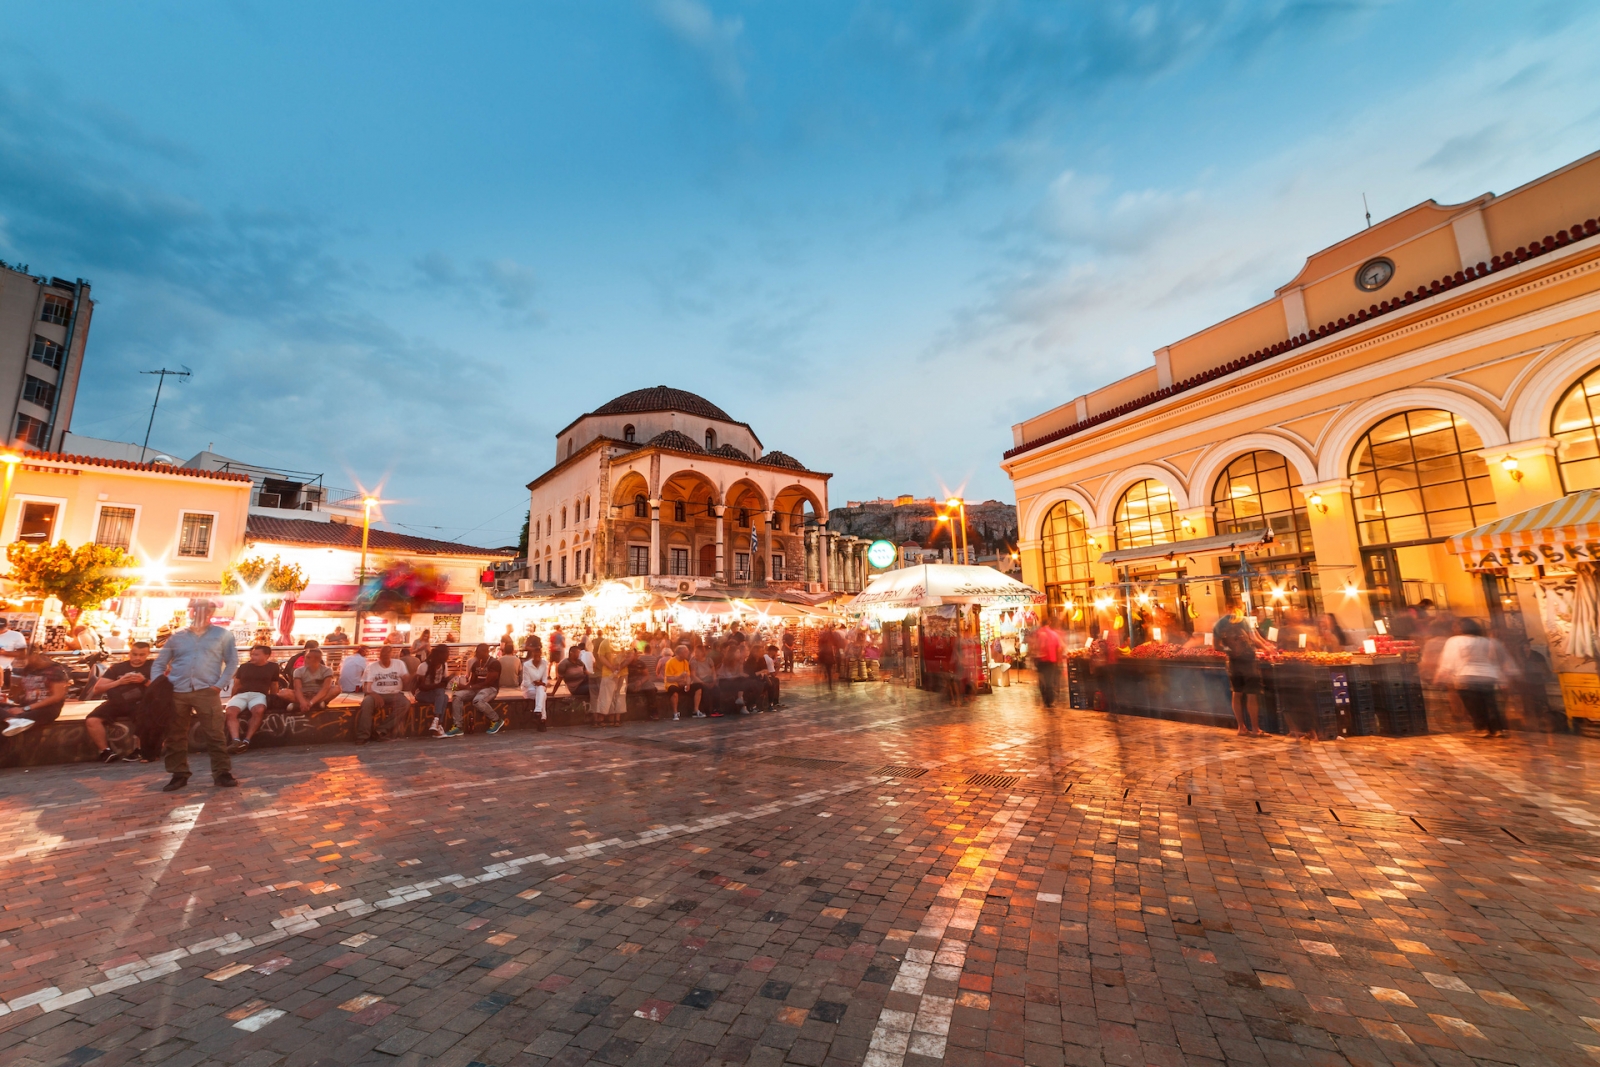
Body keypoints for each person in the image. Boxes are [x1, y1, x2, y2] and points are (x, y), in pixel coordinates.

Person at [150, 599, 240, 791]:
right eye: (194, 609)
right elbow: (159, 663)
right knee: (175, 735)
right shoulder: (177, 637)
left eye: (202, 610)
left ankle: (222, 773)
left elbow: (232, 663)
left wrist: (218, 686)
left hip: (207, 691)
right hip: (177, 691)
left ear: (210, 612)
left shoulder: (223, 635)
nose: (197, 613)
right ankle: (178, 774)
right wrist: (160, 684)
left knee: (215, 734)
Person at [1436, 618, 1514, 737]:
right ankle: (1497, 729)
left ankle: (1481, 728)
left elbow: (1449, 660)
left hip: (1466, 676)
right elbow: (1496, 659)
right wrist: (1502, 676)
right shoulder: (1486, 641)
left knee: (1473, 704)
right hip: (1487, 676)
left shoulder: (1455, 641)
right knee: (1490, 703)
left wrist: (1441, 674)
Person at [84, 641, 155, 761]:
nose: (137, 658)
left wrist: (144, 681)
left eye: (142, 655)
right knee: (92, 720)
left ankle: (140, 750)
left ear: (148, 654)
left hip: (142, 702)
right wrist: (119, 682)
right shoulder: (117, 668)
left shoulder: (154, 667)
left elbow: (164, 688)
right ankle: (105, 752)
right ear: (129, 653)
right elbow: (97, 689)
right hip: (117, 702)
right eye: (134, 654)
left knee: (145, 717)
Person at [1214, 607, 1270, 737]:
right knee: (1252, 693)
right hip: (1248, 661)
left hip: (1232, 662)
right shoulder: (1244, 620)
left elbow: (1216, 646)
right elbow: (1255, 639)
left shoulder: (1219, 624)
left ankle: (1241, 727)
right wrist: (1267, 648)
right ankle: (1255, 729)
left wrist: (1230, 651)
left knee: (1236, 693)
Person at [225, 644, 284, 754]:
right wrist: (232, 697)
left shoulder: (273, 667)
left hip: (259, 694)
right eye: (252, 654)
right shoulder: (244, 667)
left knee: (258, 710)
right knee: (230, 712)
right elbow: (237, 684)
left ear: (266, 656)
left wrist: (273, 697)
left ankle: (247, 740)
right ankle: (236, 741)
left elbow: (274, 684)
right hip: (242, 694)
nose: (253, 657)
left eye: (256, 655)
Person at [3, 648, 70, 738]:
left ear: (34, 656)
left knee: (4, 727)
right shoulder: (28, 670)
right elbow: (22, 692)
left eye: (22, 658)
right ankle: (13, 719)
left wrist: (25, 709)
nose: (19, 661)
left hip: (45, 710)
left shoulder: (55, 670)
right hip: (26, 707)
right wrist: (9, 701)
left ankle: (15, 720)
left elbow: (57, 696)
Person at [446, 643, 505, 737]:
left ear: (486, 652)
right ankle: (458, 726)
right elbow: (472, 682)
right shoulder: (476, 663)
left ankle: (496, 720)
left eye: (478, 652)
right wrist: (463, 687)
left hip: (490, 689)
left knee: (477, 700)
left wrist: (469, 687)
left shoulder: (494, 663)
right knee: (457, 695)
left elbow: (488, 683)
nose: (476, 654)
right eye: (476, 651)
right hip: (476, 689)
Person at [357, 644, 409, 744]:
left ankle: (380, 730)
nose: (385, 657)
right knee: (366, 703)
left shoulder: (399, 664)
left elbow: (406, 678)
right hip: (375, 693)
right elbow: (366, 687)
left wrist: (408, 679)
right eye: (383, 655)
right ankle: (363, 735)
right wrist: (374, 694)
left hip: (395, 693)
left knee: (405, 703)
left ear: (392, 655)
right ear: (380, 656)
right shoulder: (371, 667)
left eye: (388, 655)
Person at [413, 645, 453, 737]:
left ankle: (437, 725)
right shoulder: (424, 666)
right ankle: (438, 722)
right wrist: (437, 686)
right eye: (447, 654)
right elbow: (421, 687)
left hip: (436, 694)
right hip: (422, 694)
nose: (448, 656)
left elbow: (443, 683)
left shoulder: (444, 665)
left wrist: (449, 679)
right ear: (440, 654)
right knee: (441, 692)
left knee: (445, 696)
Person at [592, 631, 628, 727]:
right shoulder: (625, 643)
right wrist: (621, 666)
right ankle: (616, 719)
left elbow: (601, 656)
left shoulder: (605, 642)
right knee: (620, 695)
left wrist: (611, 667)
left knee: (606, 696)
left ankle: (601, 719)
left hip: (608, 673)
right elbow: (631, 656)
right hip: (623, 672)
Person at [290, 647, 339, 716]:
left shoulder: (327, 670)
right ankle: (314, 704)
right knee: (283, 693)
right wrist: (302, 701)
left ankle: (303, 705)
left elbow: (325, 688)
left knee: (337, 689)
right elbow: (298, 688)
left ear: (317, 659)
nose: (305, 660)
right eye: (306, 657)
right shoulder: (298, 671)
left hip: (320, 694)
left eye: (309, 658)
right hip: (304, 694)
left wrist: (311, 703)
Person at [520, 636, 551, 732]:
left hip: (540, 687)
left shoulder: (544, 664)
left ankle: (538, 713)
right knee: (543, 695)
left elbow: (545, 680)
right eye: (535, 656)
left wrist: (540, 683)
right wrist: (536, 683)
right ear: (532, 655)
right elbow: (526, 682)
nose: (537, 658)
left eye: (539, 656)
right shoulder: (527, 665)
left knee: (541, 690)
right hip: (529, 689)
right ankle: (542, 718)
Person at [1032, 617, 1064, 709]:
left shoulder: (1038, 633)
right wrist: (1058, 660)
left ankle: (1045, 700)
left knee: (1042, 681)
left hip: (1040, 661)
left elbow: (1034, 647)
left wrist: (1034, 659)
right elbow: (1059, 648)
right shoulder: (1054, 634)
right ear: (1049, 623)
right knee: (1049, 681)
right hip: (1051, 661)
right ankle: (1050, 701)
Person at [552, 645, 589, 713]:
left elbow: (586, 673)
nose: (579, 655)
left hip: (583, 681)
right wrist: (553, 693)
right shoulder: (564, 664)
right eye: (578, 653)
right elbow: (559, 679)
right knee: (593, 688)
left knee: (598, 683)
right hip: (576, 687)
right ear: (572, 653)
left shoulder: (580, 662)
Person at [663, 644, 692, 720]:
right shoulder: (670, 662)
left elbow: (688, 676)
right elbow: (669, 679)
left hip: (683, 683)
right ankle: (675, 713)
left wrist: (688, 684)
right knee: (674, 691)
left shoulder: (685, 662)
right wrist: (679, 678)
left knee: (698, 687)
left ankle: (695, 710)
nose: (688, 653)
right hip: (672, 683)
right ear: (680, 653)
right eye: (686, 652)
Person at [688, 644, 715, 717]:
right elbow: (693, 675)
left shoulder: (709, 660)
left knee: (716, 689)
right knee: (705, 690)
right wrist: (702, 682)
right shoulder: (694, 661)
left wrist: (714, 680)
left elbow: (713, 672)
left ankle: (716, 709)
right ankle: (707, 711)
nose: (696, 654)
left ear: (703, 653)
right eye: (695, 652)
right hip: (698, 681)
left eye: (698, 652)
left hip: (708, 679)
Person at [0, 617, 27, 686]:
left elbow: (22, 654)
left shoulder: (16, 635)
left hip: (4, 670)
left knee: (2, 694)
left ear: (7, 626)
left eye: (1, 628)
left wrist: (4, 653)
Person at [818, 625, 840, 691]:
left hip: (822, 655)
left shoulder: (823, 637)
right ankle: (830, 684)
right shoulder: (831, 636)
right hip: (829, 655)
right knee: (829, 671)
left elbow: (819, 644)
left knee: (824, 668)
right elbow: (836, 643)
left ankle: (824, 675)